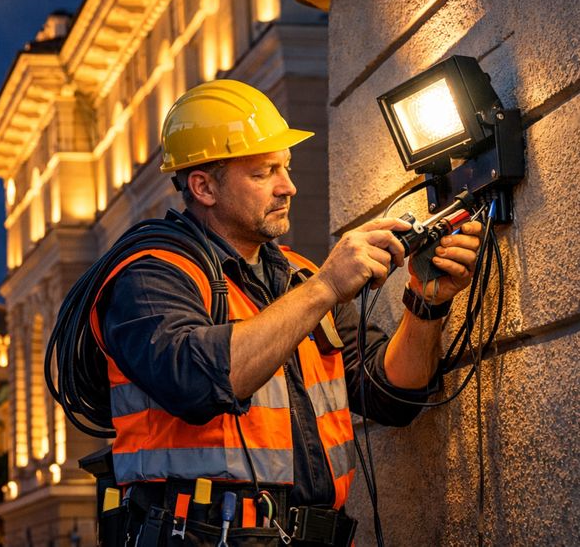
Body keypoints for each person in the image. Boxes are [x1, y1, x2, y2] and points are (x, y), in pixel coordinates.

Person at [87, 79, 482, 545]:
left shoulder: (299, 277)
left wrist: (426, 302)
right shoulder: (149, 277)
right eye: (264, 173)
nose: (288, 186)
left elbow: (389, 397)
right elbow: (199, 381)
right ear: (204, 187)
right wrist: (328, 286)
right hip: (201, 535)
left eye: (286, 168)